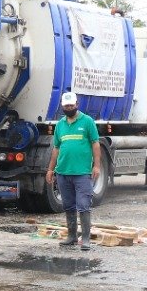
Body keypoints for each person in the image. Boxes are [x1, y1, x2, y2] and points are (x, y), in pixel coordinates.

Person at [45, 91, 102, 251]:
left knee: (83, 205)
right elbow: (56, 148)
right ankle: (71, 236)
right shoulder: (60, 125)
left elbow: (95, 144)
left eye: (71, 105)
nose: (69, 108)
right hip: (63, 173)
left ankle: (85, 239)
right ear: (62, 106)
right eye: (66, 106)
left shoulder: (87, 122)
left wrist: (96, 166)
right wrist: (50, 170)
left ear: (77, 104)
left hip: (82, 173)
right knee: (68, 205)